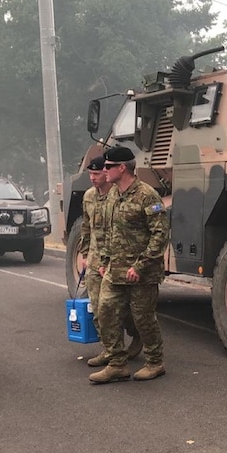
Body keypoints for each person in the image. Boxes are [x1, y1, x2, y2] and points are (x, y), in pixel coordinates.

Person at [88, 146, 170, 384]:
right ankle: (117, 363)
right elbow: (107, 230)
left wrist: (140, 266)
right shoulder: (113, 194)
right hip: (115, 270)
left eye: (108, 166)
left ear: (121, 168)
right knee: (105, 311)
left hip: (141, 274)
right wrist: (104, 261)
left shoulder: (147, 195)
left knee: (143, 318)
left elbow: (160, 235)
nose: (104, 170)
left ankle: (155, 362)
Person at [79, 155, 143, 367]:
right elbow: (86, 227)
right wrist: (84, 253)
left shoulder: (117, 196)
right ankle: (110, 350)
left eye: (97, 174)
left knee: (122, 309)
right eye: (91, 174)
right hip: (95, 259)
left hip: (116, 258)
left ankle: (136, 336)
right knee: (99, 308)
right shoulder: (89, 196)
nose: (93, 178)